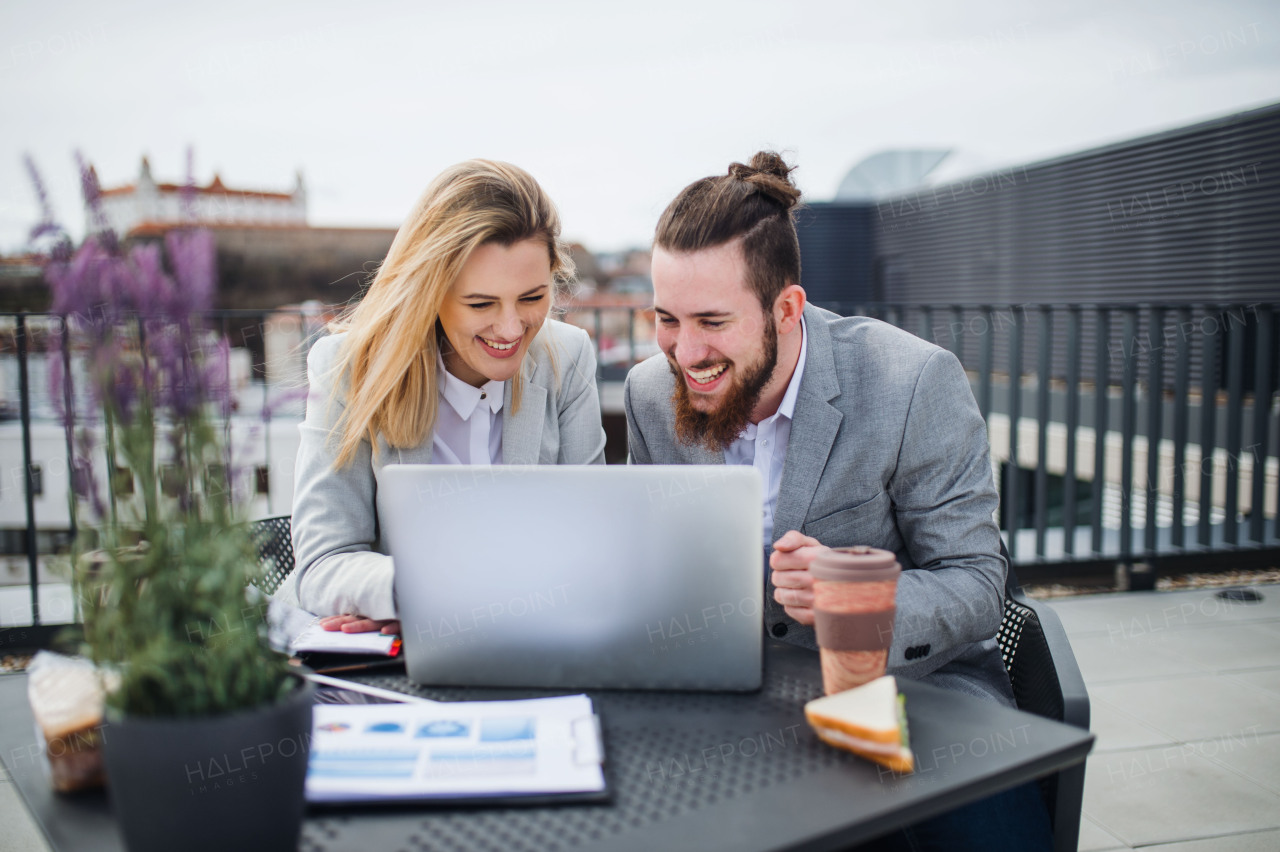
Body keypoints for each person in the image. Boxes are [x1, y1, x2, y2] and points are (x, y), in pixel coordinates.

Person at [623, 152, 1052, 851]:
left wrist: (859, 600)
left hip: (910, 693)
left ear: (787, 307)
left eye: (711, 321)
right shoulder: (649, 393)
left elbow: (978, 584)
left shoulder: (911, 382)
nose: (684, 351)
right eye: (667, 319)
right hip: (730, 700)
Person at [278, 159, 606, 634]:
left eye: (532, 298)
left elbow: (588, 539)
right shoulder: (348, 368)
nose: (512, 329)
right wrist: (411, 597)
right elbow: (325, 560)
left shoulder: (567, 357)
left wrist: (463, 606)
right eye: (481, 304)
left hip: (530, 641)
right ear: (430, 291)